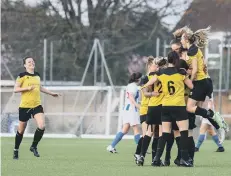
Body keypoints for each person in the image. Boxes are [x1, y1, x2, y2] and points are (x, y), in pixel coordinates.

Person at [143, 51, 194, 167]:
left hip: (166, 106)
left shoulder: (161, 72)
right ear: (176, 60)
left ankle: (156, 159)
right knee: (184, 132)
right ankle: (184, 159)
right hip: (179, 106)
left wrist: (143, 86)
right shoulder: (181, 72)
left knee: (165, 133)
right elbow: (191, 86)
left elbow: (151, 81)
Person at [173, 26, 222, 129]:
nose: (180, 41)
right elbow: (201, 65)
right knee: (198, 109)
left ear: (186, 39)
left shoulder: (191, 51)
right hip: (205, 81)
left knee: (190, 108)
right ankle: (218, 125)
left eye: (182, 38)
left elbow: (194, 70)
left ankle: (213, 115)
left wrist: (190, 82)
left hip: (200, 82)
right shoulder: (194, 48)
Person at [13, 57, 60, 160]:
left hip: (37, 105)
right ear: (25, 65)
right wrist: (27, 88)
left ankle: (33, 146)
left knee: (42, 126)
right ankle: (16, 150)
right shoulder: (22, 75)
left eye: (33, 61)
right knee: (21, 130)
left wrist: (51, 93)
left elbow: (40, 87)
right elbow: (15, 89)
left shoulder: (37, 75)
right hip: (25, 106)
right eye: (29, 62)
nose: (31, 63)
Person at [107, 72, 142, 153]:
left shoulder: (131, 85)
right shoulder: (133, 86)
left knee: (125, 129)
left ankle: (111, 146)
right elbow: (131, 97)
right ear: (138, 79)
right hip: (132, 109)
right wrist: (137, 105)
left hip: (127, 109)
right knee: (136, 129)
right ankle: (140, 149)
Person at [134, 56, 159, 163]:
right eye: (155, 65)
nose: (157, 67)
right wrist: (153, 93)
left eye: (158, 65)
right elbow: (144, 93)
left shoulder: (158, 77)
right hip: (145, 108)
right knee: (146, 134)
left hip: (154, 108)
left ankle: (154, 158)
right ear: (149, 66)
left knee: (155, 133)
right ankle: (138, 154)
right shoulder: (146, 78)